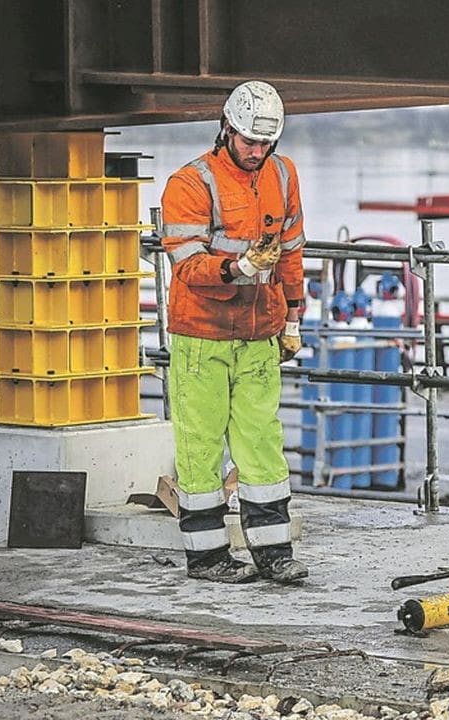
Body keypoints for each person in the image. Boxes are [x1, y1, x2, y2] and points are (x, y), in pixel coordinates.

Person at [160, 80, 308, 584]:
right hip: (202, 335)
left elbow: (291, 252)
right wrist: (239, 267)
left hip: (260, 332)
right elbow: (186, 264)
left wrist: (293, 318)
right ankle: (206, 557)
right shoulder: (190, 183)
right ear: (227, 129)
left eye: (266, 143)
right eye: (249, 141)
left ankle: (274, 552)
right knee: (200, 444)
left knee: (261, 440)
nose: (257, 151)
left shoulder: (283, 174)